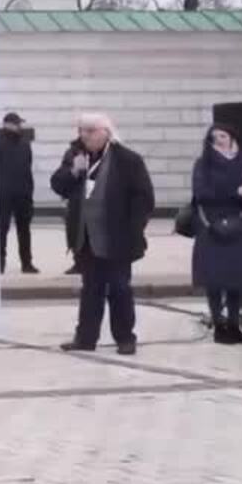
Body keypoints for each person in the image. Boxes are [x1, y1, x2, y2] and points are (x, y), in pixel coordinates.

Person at [50, 113, 155, 355]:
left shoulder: (127, 160)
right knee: (90, 290)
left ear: (106, 132)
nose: (84, 136)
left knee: (119, 289)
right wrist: (73, 172)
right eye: (82, 131)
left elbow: (144, 199)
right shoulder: (76, 156)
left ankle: (125, 338)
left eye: (90, 131)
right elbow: (57, 184)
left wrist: (134, 230)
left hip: (117, 238)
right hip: (86, 238)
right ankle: (86, 338)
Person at [189, 125, 242, 345]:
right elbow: (201, 194)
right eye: (214, 137)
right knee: (215, 278)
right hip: (212, 225)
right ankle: (219, 327)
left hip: (239, 224)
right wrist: (235, 193)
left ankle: (234, 325)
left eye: (223, 135)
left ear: (232, 137)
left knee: (236, 278)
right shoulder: (204, 163)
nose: (219, 140)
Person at [0, 112, 38, 274]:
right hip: (3, 195)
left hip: (23, 194)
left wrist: (29, 192)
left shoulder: (24, 144)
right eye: (17, 123)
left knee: (24, 230)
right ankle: (0, 263)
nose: (20, 126)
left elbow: (27, 169)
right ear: (8, 124)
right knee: (1, 230)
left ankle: (27, 263)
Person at [49, 136, 86, 276]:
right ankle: (79, 262)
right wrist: (74, 171)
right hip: (78, 204)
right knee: (77, 232)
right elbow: (58, 181)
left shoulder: (109, 153)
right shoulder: (73, 153)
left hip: (101, 205)